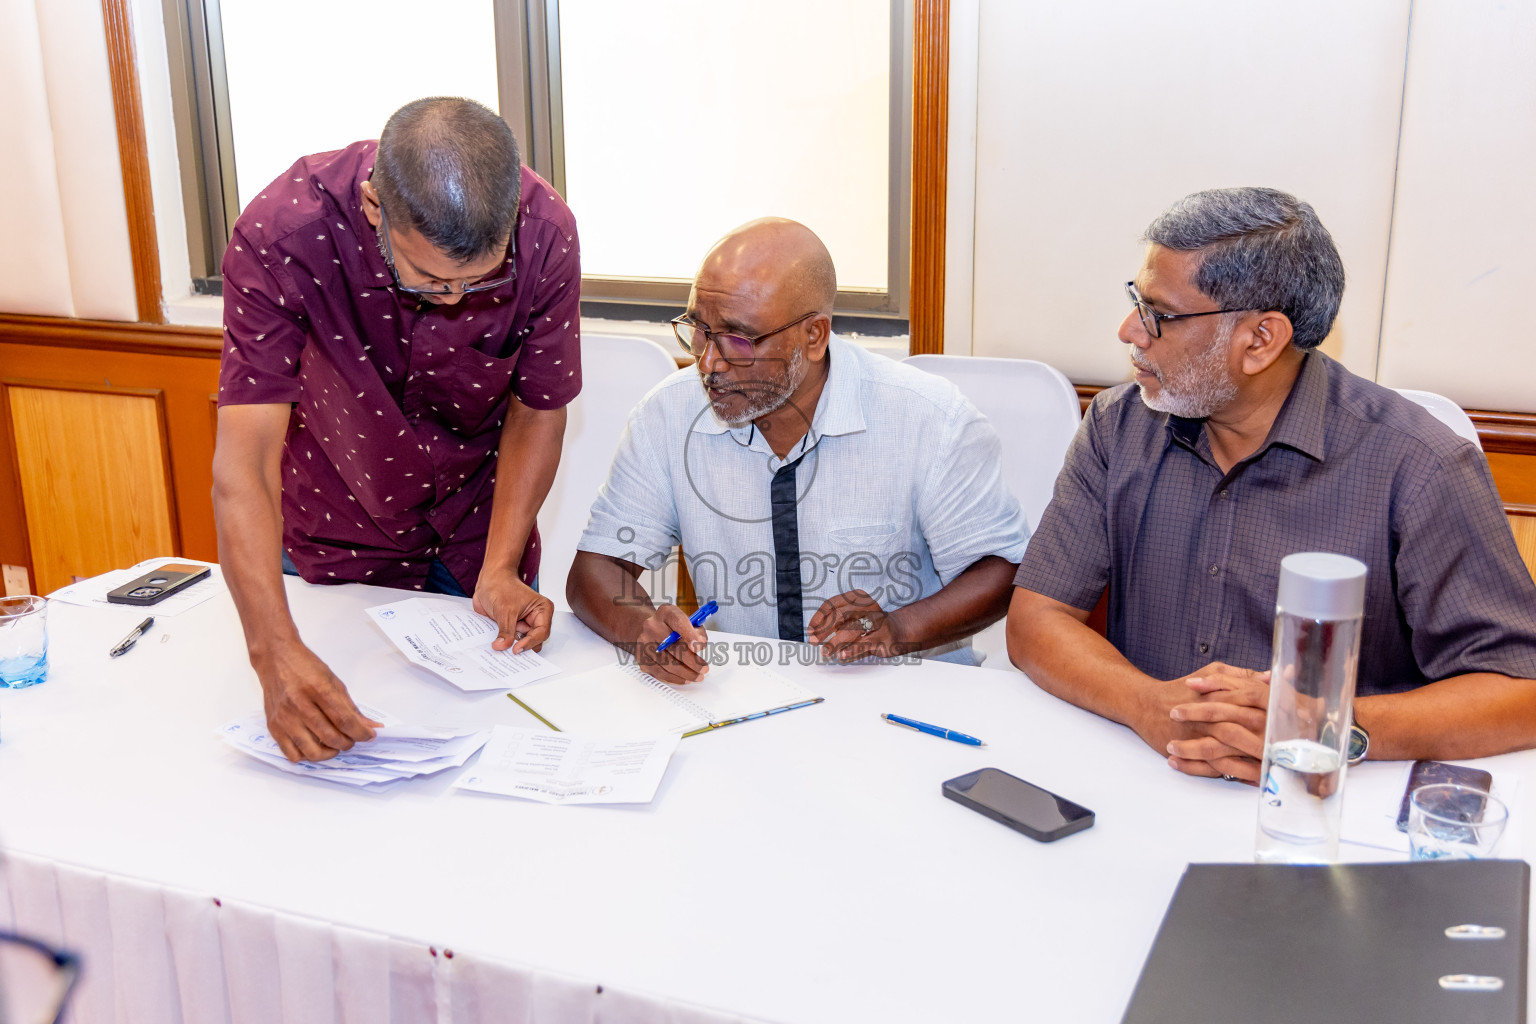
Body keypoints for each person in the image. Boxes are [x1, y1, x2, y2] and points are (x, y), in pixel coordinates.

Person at [1008, 187, 1536, 783]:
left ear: (1260, 340)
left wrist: (1322, 727)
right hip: (1143, 779)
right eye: (1137, 300)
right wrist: (1146, 705)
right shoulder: (1119, 425)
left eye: (1160, 313)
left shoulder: (1421, 465)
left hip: (1328, 805)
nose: (1131, 330)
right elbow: (1036, 621)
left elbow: (1521, 691)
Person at [213, 97, 580, 763]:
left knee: (478, 765)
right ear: (375, 209)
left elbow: (539, 406)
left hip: (476, 537)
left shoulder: (546, 230)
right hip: (332, 529)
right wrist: (272, 651)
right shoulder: (284, 235)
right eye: (432, 280)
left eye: (479, 280)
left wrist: (500, 567)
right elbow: (246, 459)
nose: (455, 299)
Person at [567, 218, 1029, 682]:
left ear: (814, 336)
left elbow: (1001, 569)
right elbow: (597, 566)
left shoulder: (931, 420)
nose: (707, 362)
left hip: (908, 696)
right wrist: (640, 628)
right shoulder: (667, 415)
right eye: (699, 329)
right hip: (745, 692)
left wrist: (898, 628)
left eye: (738, 340)